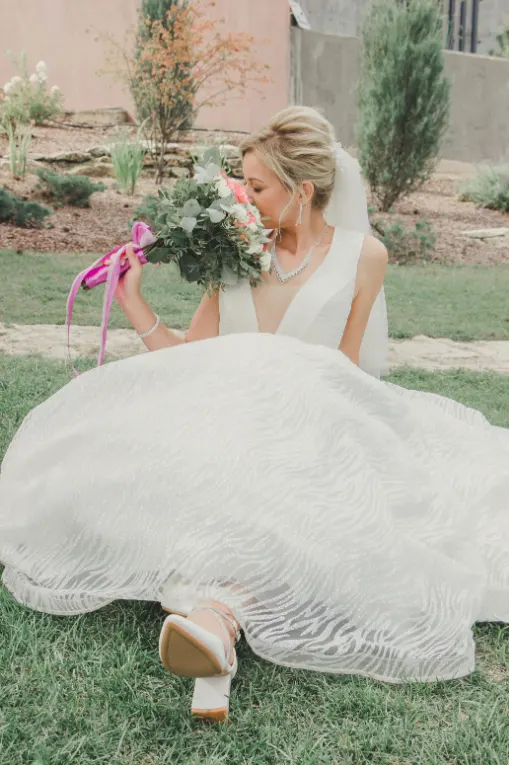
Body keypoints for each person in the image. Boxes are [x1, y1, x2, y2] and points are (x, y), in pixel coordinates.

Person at [1, 107, 508, 725]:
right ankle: (215, 630)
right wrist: (132, 300)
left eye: (258, 186)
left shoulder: (364, 256)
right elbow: (190, 356)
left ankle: (213, 625)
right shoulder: (234, 245)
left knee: (265, 484)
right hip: (222, 415)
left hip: (312, 424)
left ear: (302, 190)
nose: (244, 196)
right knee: (201, 477)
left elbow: (349, 371)